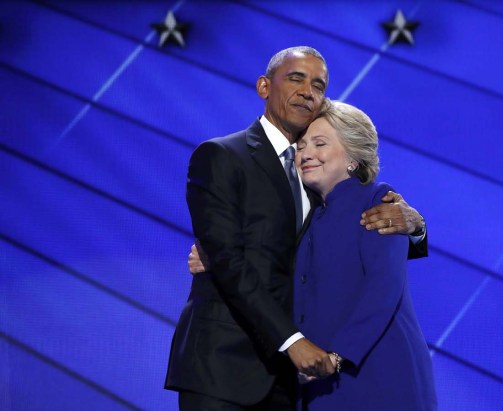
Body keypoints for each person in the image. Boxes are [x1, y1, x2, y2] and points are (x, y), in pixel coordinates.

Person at [165, 46, 427, 410]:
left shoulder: (321, 183)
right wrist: (291, 340)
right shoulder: (222, 156)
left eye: (318, 85)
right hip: (225, 367)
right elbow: (227, 256)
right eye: (296, 78)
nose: (308, 90)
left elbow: (359, 244)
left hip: (299, 380)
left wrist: (416, 225)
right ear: (263, 87)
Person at [293, 100, 437, 410]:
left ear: (353, 159)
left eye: (320, 143)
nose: (305, 153)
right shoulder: (307, 215)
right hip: (322, 385)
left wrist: (337, 354)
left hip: (376, 377)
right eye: (301, 145)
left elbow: (383, 288)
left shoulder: (378, 201)